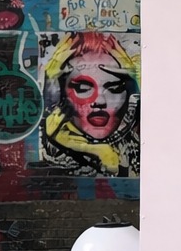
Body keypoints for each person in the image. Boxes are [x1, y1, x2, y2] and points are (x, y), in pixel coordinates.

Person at [41, 32, 141, 177]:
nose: (100, 101)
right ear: (62, 93)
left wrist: (137, 80)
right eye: (82, 89)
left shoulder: (141, 149)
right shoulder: (45, 156)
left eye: (114, 88)